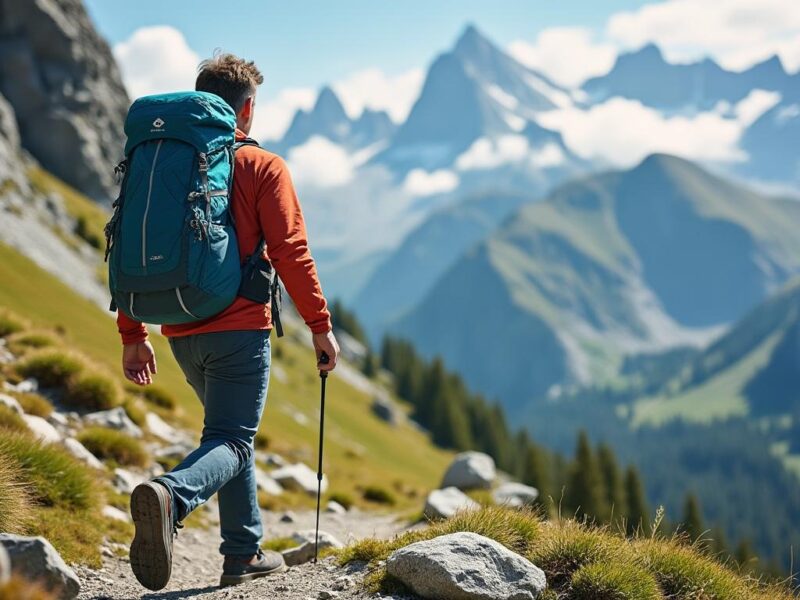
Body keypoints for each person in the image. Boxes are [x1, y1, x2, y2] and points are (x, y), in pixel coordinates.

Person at [115, 52, 339, 591]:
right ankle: (171, 497)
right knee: (233, 440)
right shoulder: (263, 167)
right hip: (238, 327)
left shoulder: (161, 160)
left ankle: (243, 553)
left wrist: (132, 335)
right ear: (248, 110)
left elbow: (125, 241)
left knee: (226, 436)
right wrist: (319, 324)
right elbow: (291, 252)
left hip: (176, 326)